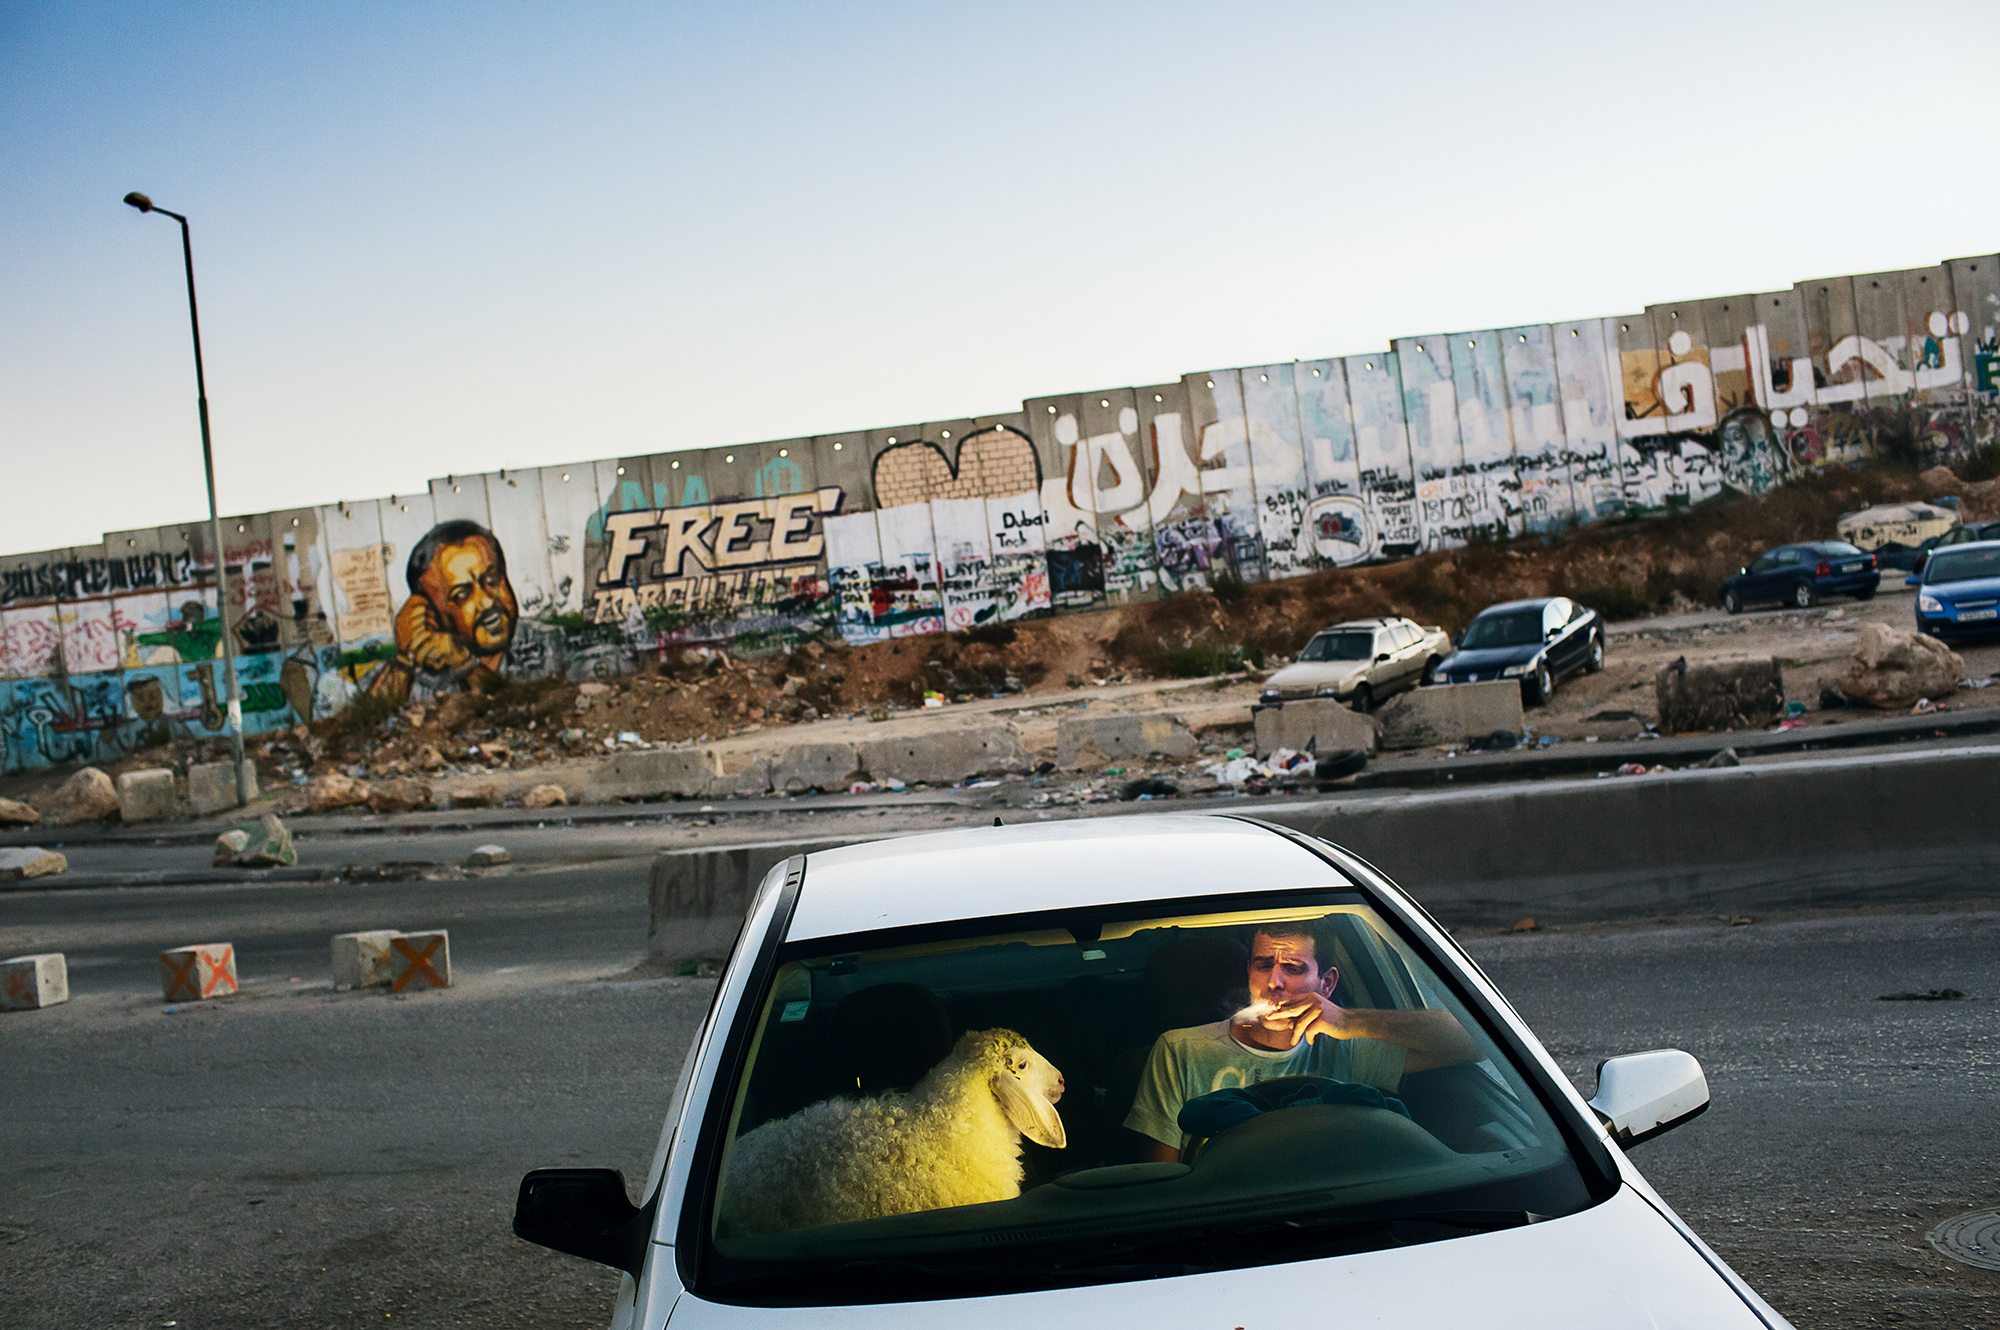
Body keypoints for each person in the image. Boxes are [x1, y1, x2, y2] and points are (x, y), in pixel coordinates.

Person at [1124, 920, 1477, 1162]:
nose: (1274, 982)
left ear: (1326, 983)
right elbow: (1165, 1180)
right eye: (1263, 965)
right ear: (1249, 971)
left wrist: (1350, 1020)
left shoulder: (1350, 1044)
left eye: (1293, 968)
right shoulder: (1180, 1050)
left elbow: (1477, 1040)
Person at [367, 520, 519, 705]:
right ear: (432, 612)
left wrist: (466, 666)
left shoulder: (553, 643)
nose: (487, 601)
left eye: (492, 579)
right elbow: (370, 724)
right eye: (462, 594)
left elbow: (509, 711)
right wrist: (405, 660)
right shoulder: (417, 674)